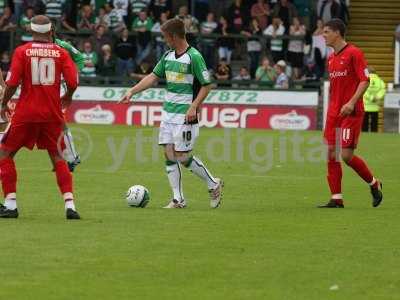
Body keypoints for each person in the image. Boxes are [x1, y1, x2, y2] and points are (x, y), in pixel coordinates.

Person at [119, 18, 223, 209]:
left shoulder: (194, 57)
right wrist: (131, 91)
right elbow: (152, 77)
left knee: (182, 157)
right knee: (169, 155)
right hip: (168, 114)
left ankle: (213, 184)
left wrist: (194, 106)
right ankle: (178, 199)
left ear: (174, 36)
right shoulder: (167, 56)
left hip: (185, 116)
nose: (165, 40)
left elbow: (207, 86)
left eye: (166, 37)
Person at [0, 15, 80, 219]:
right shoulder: (61, 53)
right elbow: (72, 81)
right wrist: (68, 97)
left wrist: (2, 104)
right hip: (52, 114)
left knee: (5, 154)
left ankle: (10, 204)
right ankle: (70, 205)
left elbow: (12, 83)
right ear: (51, 30)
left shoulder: (21, 51)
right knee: (58, 158)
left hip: (26, 113)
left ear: (31, 30)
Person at [318, 19, 383, 208]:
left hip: (351, 112)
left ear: (337, 33)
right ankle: (336, 198)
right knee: (330, 153)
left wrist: (352, 102)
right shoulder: (331, 58)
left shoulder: (354, 53)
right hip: (334, 113)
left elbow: (365, 80)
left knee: (346, 155)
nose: (324, 35)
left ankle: (374, 183)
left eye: (327, 32)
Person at [362, 67, 386, 132]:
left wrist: (370, 97)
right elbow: (383, 90)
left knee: (364, 124)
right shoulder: (380, 81)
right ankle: (374, 136)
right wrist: (377, 97)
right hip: (375, 106)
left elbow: (363, 91)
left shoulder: (365, 80)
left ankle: (365, 135)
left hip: (365, 106)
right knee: (374, 124)